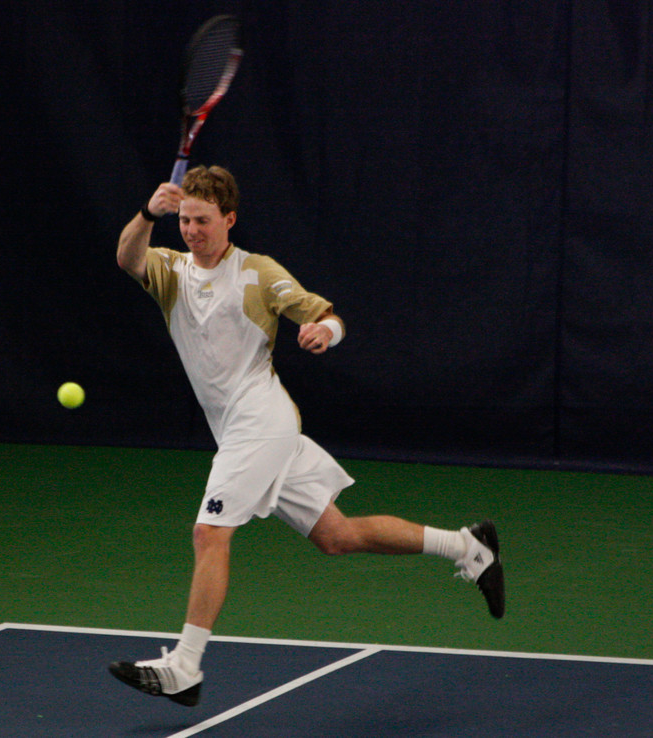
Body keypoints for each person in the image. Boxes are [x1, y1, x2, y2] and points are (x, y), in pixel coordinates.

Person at [109, 165, 504, 707]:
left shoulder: (258, 272)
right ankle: (469, 545)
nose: (191, 230)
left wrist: (325, 331)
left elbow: (327, 314)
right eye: (183, 219)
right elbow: (128, 258)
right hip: (238, 431)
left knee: (209, 533)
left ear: (229, 219)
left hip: (262, 421)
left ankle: (185, 665)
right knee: (337, 537)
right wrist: (146, 215)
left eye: (202, 220)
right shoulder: (171, 270)